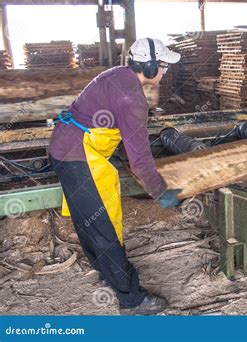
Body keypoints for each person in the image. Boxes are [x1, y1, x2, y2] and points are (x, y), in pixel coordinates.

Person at [49, 38, 181, 315]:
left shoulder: (119, 75)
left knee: (91, 223)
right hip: (78, 155)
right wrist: (162, 192)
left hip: (66, 148)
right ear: (149, 65)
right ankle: (132, 300)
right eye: (164, 66)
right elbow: (141, 161)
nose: (165, 72)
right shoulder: (132, 99)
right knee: (103, 226)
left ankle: (107, 273)